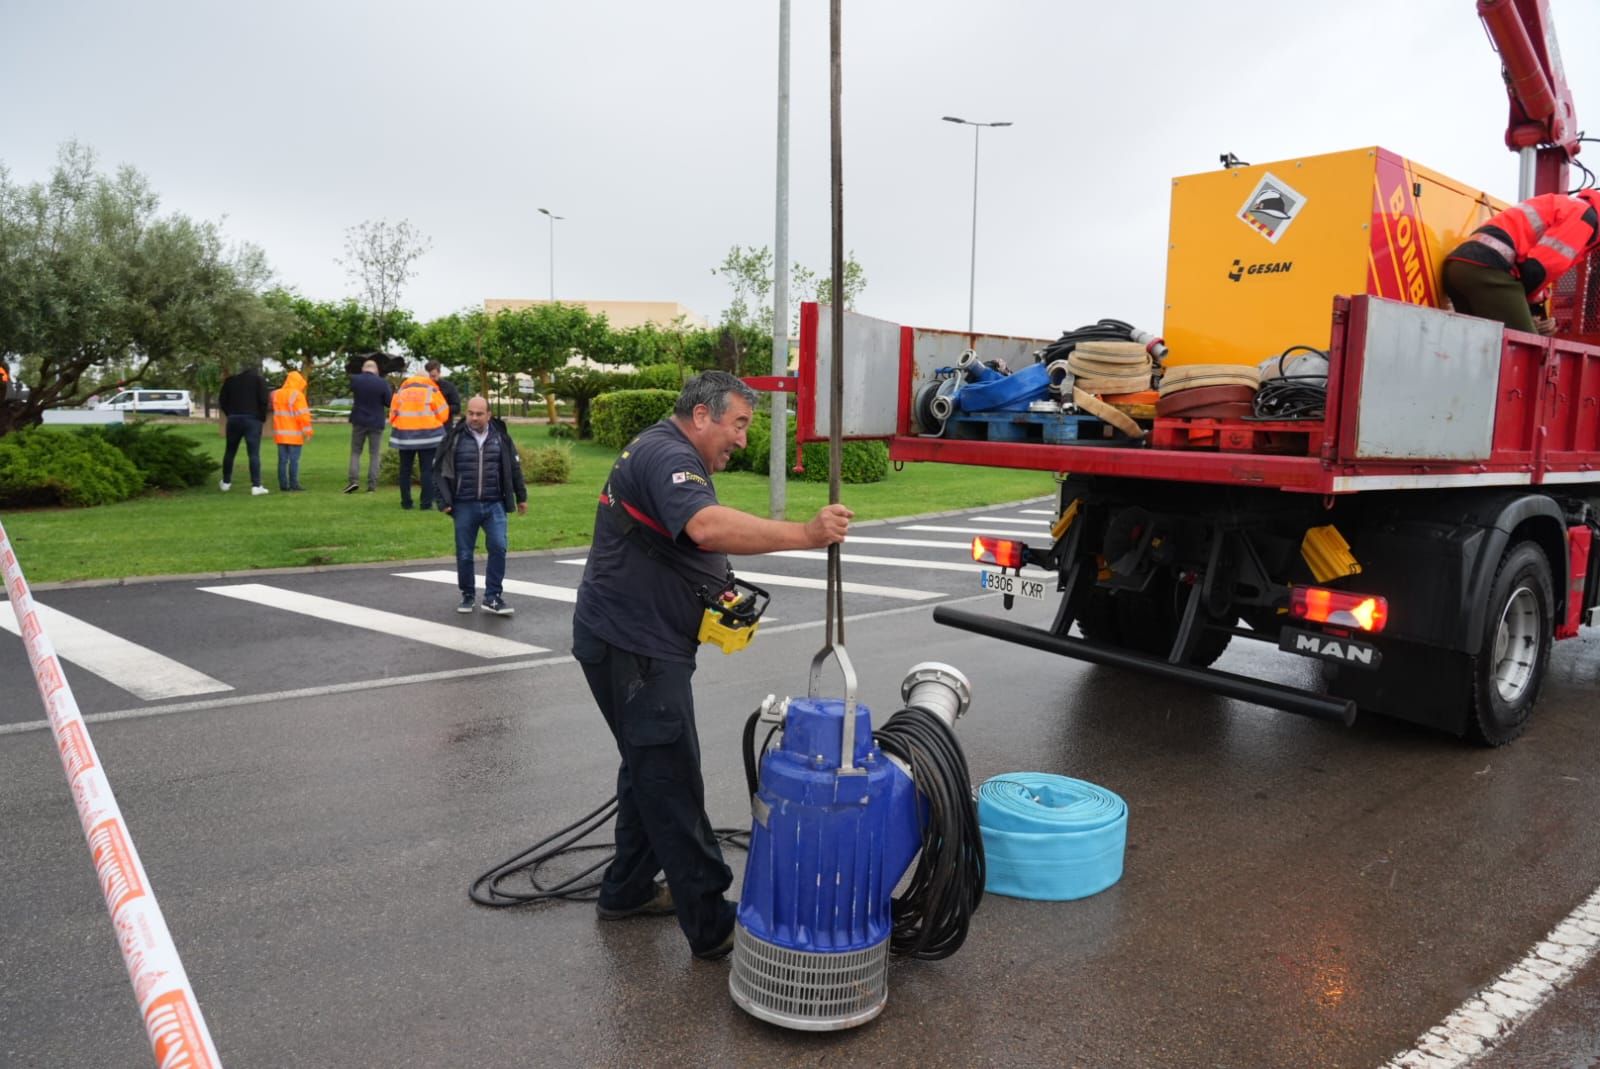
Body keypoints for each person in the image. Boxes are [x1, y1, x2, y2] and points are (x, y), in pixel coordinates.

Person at [572, 370, 853, 961]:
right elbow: (704, 526)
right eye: (740, 423)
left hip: (636, 642)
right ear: (702, 416)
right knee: (671, 778)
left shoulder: (667, 452)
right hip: (635, 648)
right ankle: (713, 924)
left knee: (647, 769)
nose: (744, 438)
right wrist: (805, 533)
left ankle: (624, 891)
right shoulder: (666, 455)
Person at [1443, 189, 1600, 333]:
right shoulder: (1584, 219)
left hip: (1459, 268)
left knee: (1478, 348)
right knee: (1527, 351)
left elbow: (1534, 268)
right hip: (1487, 271)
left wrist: (1530, 315)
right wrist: (1530, 318)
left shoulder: (1571, 206)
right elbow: (1538, 270)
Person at [435, 395, 527, 616]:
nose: (474, 417)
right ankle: (467, 595)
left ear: (488, 415)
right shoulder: (454, 438)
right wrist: (444, 501)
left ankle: (493, 596)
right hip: (464, 505)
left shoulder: (501, 438)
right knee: (465, 553)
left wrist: (521, 496)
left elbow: (514, 469)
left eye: (479, 414)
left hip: (494, 504)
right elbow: (438, 471)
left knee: (498, 547)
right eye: (470, 413)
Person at [388, 367, 450, 510]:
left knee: (405, 470)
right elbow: (443, 413)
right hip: (428, 436)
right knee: (427, 470)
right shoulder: (432, 390)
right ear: (426, 378)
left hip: (404, 436)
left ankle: (406, 503)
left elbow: (392, 415)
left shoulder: (401, 392)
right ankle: (426, 503)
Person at [218, 362, 272, 495]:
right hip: (252, 419)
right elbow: (264, 400)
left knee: (230, 451)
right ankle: (256, 485)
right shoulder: (259, 380)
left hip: (234, 419)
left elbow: (222, 400)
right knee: (253, 453)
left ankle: (226, 482)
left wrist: (230, 413)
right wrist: (261, 417)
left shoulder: (230, 381)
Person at [345, 358, 392, 493]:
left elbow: (352, 390)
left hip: (358, 420)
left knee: (355, 452)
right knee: (374, 454)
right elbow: (389, 402)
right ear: (376, 370)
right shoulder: (382, 383)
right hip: (376, 421)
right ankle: (372, 485)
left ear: (363, 369)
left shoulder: (355, 380)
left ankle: (353, 481)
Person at [269, 370, 313, 491]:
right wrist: (308, 432)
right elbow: (303, 415)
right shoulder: (298, 395)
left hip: (280, 434)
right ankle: (294, 484)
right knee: (294, 461)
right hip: (294, 434)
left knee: (282, 461)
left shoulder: (276, 394)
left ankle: (283, 485)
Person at [426, 360, 462, 427]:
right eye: (429, 377)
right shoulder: (422, 387)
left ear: (439, 373)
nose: (431, 379)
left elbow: (457, 407)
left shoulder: (449, 387)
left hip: (444, 428)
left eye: (433, 376)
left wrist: (441, 409)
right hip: (427, 428)